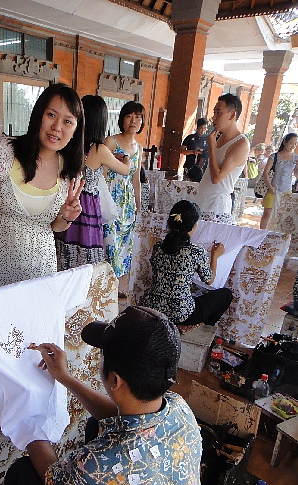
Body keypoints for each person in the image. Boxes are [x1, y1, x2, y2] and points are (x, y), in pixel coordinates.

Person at [5, 305, 207, 485]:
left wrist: (28, 422)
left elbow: (53, 479)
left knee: (23, 479)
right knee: (96, 426)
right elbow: (119, 416)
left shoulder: (99, 464)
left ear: (115, 380)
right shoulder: (179, 408)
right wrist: (65, 378)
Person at [0, 83, 85, 292]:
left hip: (39, 272)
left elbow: (56, 227)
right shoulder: (0, 152)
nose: (57, 127)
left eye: (67, 121)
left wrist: (67, 216)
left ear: (76, 129)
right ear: (39, 114)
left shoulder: (71, 173)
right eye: (51, 115)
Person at [55, 95, 130, 270]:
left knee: (64, 242)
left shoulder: (69, 144)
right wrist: (126, 158)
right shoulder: (99, 149)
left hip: (67, 200)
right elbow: (126, 170)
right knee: (87, 250)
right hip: (87, 205)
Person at [141, 200, 232, 328]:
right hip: (180, 314)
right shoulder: (195, 251)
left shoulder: (158, 246)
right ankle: (203, 329)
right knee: (226, 295)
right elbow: (209, 280)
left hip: (153, 308)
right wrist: (215, 256)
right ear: (193, 226)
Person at [103, 101, 145, 298]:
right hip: (111, 198)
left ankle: (118, 286)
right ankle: (106, 286)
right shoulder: (111, 142)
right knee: (110, 242)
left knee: (125, 245)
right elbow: (101, 173)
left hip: (127, 204)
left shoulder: (139, 148)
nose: (133, 120)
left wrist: (139, 205)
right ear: (122, 119)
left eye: (138, 117)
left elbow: (136, 179)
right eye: (129, 116)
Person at [195, 93, 250, 224]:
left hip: (217, 206)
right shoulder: (218, 137)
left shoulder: (241, 143)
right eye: (214, 112)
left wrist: (211, 147)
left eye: (218, 112)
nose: (214, 117)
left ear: (232, 115)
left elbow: (217, 178)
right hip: (203, 201)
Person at [260, 132, 298, 229]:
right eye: (291, 143)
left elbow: (296, 175)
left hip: (286, 191)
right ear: (285, 142)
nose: (293, 146)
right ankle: (261, 234)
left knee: (282, 216)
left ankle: (277, 235)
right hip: (273, 189)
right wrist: (270, 187)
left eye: (295, 143)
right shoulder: (275, 156)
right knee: (267, 214)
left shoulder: (295, 158)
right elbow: (266, 173)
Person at [180, 117, 209, 182]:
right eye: (201, 128)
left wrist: (202, 152)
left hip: (201, 169)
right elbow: (181, 151)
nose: (203, 131)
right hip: (189, 166)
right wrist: (193, 152)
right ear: (197, 127)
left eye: (205, 128)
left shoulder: (208, 139)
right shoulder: (190, 137)